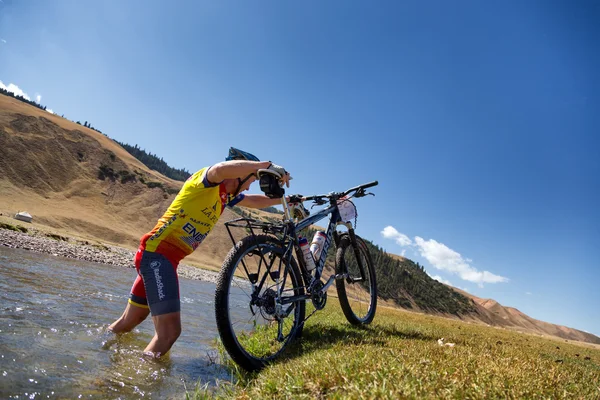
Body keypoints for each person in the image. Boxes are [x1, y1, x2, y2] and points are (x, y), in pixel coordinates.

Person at [108, 147, 291, 357]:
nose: (249, 187)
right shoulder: (207, 181)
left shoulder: (225, 197)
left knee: (128, 322)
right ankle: (132, 381)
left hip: (158, 258)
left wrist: (290, 200)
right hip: (157, 256)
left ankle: (99, 353)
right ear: (238, 173)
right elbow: (221, 169)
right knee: (169, 333)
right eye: (250, 180)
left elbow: (256, 202)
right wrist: (266, 166)